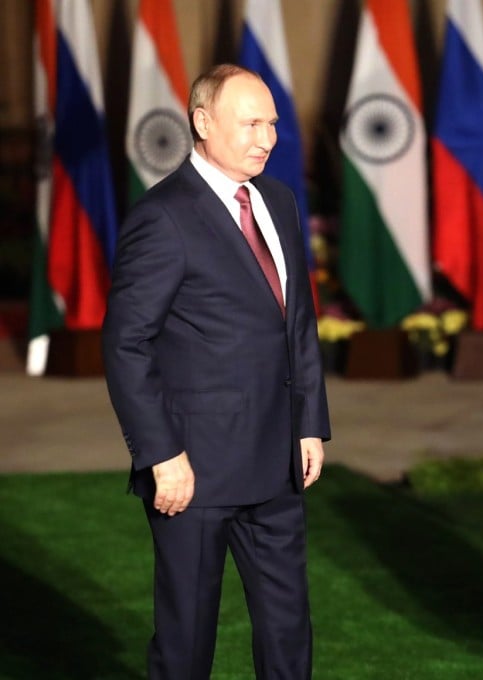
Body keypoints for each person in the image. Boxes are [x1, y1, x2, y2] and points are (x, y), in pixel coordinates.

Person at [102, 64, 330, 679]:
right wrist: (161, 453)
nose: (267, 138)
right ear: (203, 123)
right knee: (186, 644)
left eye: (273, 124)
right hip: (193, 476)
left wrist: (309, 423)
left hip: (277, 465)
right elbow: (126, 344)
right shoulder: (164, 217)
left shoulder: (278, 202)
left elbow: (298, 324)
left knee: (289, 634)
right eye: (251, 123)